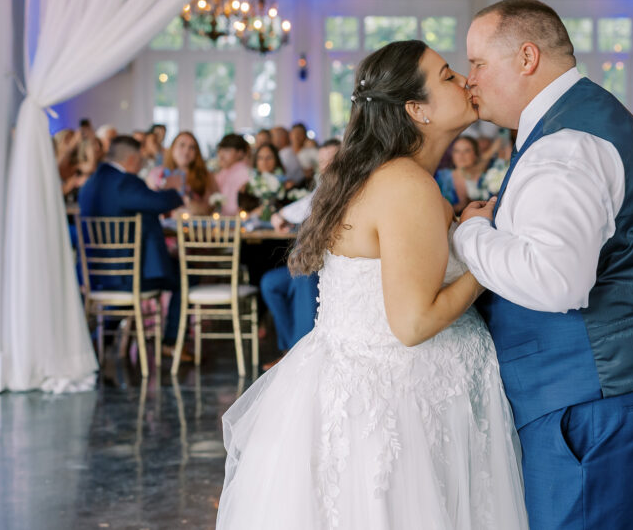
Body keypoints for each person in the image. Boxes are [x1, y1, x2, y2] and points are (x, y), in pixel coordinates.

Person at [216, 41, 528, 529]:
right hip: (402, 406)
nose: (465, 80)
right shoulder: (407, 184)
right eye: (447, 75)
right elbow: (413, 322)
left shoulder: (382, 175)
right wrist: (485, 262)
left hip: (367, 389)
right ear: (416, 109)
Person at [456, 0, 633, 529]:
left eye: (477, 63)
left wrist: (469, 233)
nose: (469, 79)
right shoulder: (579, 119)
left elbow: (555, 280)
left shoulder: (565, 145)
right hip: (621, 379)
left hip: (602, 393)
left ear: (526, 57)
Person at [77, 136, 188, 360]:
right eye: (139, 160)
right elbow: (158, 203)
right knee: (187, 276)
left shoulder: (90, 183)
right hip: (126, 275)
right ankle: (169, 342)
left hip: (95, 275)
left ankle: (102, 339)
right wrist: (174, 189)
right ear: (131, 158)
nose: (140, 165)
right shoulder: (124, 182)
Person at [260, 139, 341, 367]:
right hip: (311, 258)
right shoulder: (323, 185)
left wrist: (282, 215)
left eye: (331, 160)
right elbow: (307, 204)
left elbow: (310, 206)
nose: (325, 166)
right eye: (322, 161)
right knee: (270, 283)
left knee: (302, 275)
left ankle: (299, 356)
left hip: (328, 264)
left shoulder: (342, 187)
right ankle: (288, 349)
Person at [147, 131, 215, 215]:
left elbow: (210, 208)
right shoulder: (156, 174)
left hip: (194, 224)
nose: (186, 151)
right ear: (172, 148)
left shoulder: (205, 176)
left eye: (192, 147)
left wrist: (192, 205)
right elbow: (150, 205)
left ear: (196, 153)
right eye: (182, 145)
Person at [435, 135, 489, 212]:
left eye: (467, 151)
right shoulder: (441, 177)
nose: (461, 155)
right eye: (456, 151)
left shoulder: (487, 178)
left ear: (476, 154)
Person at [214, 134, 251, 214]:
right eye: (220, 149)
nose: (221, 155)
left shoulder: (244, 173)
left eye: (227, 150)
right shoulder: (223, 172)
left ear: (240, 153)